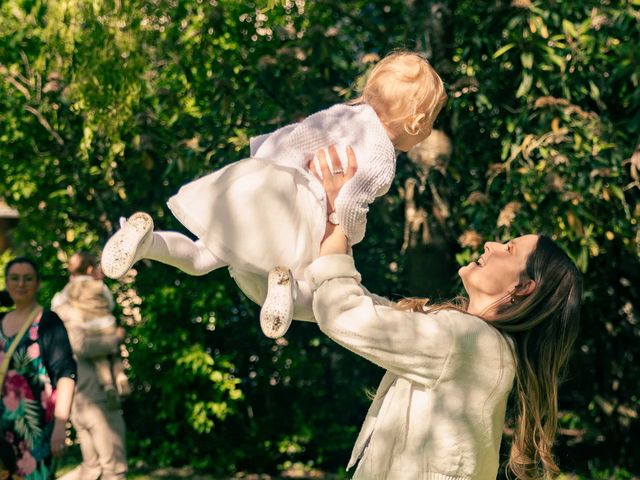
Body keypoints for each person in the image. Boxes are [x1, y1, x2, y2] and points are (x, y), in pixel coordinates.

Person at [100, 50, 447, 338]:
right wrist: (352, 233)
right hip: (308, 211)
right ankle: (287, 289)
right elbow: (350, 201)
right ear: (416, 123)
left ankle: (147, 243)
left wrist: (259, 176)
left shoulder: (343, 115)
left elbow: (291, 141)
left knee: (201, 257)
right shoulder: (383, 156)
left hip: (268, 187)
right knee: (321, 290)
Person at [304, 147, 583, 479]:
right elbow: (372, 311)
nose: (490, 246)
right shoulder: (481, 345)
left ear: (523, 287)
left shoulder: (468, 340)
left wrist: (337, 215)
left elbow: (345, 313)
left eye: (509, 249)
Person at [52, 254, 128, 480]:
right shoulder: (78, 304)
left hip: (81, 398)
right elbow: (81, 346)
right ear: (88, 269)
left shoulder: (64, 304)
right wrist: (116, 338)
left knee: (93, 468)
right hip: (98, 397)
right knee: (114, 469)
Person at [0, 257, 77, 479]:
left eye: (28, 278)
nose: (21, 284)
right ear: (6, 282)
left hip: (36, 429)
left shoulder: (48, 322)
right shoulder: (0, 321)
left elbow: (65, 373)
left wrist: (61, 425)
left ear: (37, 283)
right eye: (14, 278)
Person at [52, 252, 130, 409]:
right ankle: (121, 377)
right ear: (89, 269)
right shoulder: (100, 285)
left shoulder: (70, 288)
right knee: (114, 354)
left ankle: (108, 386)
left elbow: (57, 303)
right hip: (106, 324)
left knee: (99, 360)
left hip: (88, 327)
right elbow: (110, 303)